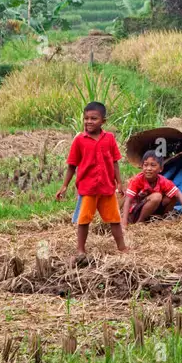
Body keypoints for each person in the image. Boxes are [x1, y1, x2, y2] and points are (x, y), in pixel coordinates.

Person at [55, 102, 127, 260]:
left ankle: (122, 247)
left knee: (114, 219)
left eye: (93, 118)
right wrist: (64, 185)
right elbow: (72, 165)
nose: (89, 121)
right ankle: (80, 249)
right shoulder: (80, 140)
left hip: (107, 188)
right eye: (86, 118)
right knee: (84, 219)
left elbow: (115, 162)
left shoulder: (109, 138)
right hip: (88, 188)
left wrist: (119, 183)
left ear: (103, 121)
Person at [123, 150, 182, 225]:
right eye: (145, 165)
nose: (148, 168)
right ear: (142, 166)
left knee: (173, 196)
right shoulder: (137, 180)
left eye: (153, 165)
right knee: (157, 197)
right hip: (135, 213)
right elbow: (128, 201)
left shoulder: (163, 181)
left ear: (161, 169)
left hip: (153, 211)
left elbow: (180, 196)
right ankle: (140, 222)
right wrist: (124, 223)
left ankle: (161, 219)